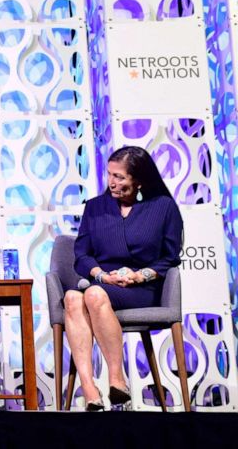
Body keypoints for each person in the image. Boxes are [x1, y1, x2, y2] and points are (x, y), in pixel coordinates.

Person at [64, 145, 182, 411]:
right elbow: (81, 256)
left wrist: (139, 275)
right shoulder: (95, 207)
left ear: (138, 180)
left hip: (143, 289)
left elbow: (170, 257)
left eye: (120, 177)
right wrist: (103, 276)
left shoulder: (163, 207)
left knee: (92, 294)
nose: (112, 182)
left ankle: (116, 377)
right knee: (73, 297)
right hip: (104, 284)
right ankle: (90, 387)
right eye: (109, 175)